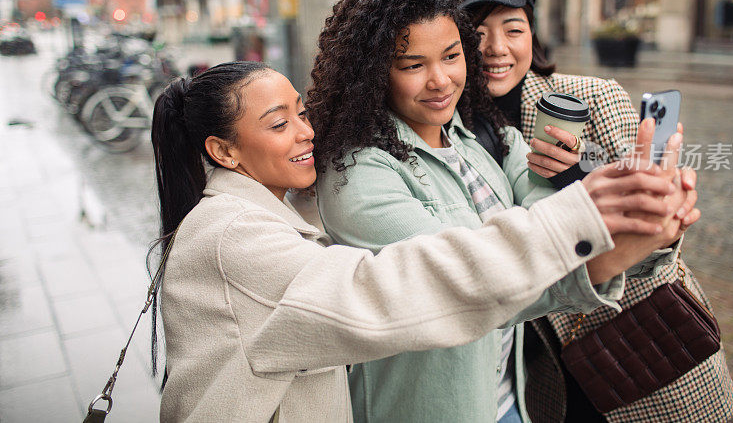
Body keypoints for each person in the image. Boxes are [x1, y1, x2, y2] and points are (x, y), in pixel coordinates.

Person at [150, 61, 682, 422]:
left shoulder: (477, 137)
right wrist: (578, 220)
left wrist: (618, 240)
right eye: (278, 124)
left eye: (302, 113)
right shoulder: (234, 239)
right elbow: (395, 287)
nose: (306, 132)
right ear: (223, 151)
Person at [308, 0, 695, 423]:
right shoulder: (357, 172)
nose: (440, 80)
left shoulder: (484, 135)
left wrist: (647, 219)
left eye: (452, 56)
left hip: (510, 401)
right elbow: (461, 283)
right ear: (372, 72)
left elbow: (542, 210)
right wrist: (601, 245)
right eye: (414, 64)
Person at [449, 0, 733, 422]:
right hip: (543, 372)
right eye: (476, 33)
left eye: (514, 29)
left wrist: (579, 178)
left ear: (532, 33)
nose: (496, 48)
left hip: (641, 345)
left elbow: (657, 248)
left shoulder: (592, 97)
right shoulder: (446, 124)